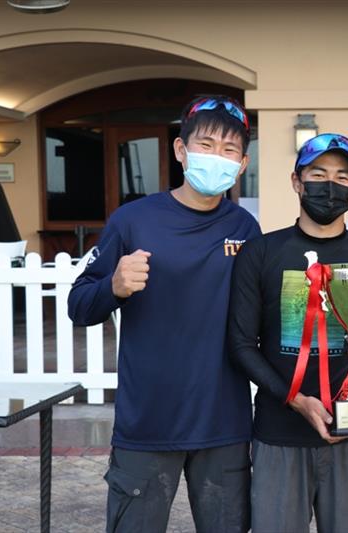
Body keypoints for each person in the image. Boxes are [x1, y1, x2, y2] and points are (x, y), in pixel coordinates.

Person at [68, 95, 260, 532]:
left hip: (224, 424)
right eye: (206, 145)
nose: (217, 158)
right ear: (180, 150)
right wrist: (113, 286)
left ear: (243, 163)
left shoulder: (245, 229)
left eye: (229, 150)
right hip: (147, 423)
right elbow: (78, 306)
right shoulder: (133, 220)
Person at [227, 133, 348, 533]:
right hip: (278, 435)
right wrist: (294, 399)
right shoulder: (262, 253)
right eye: (318, 173)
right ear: (297, 181)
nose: (330, 184)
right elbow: (241, 345)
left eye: (343, 176)